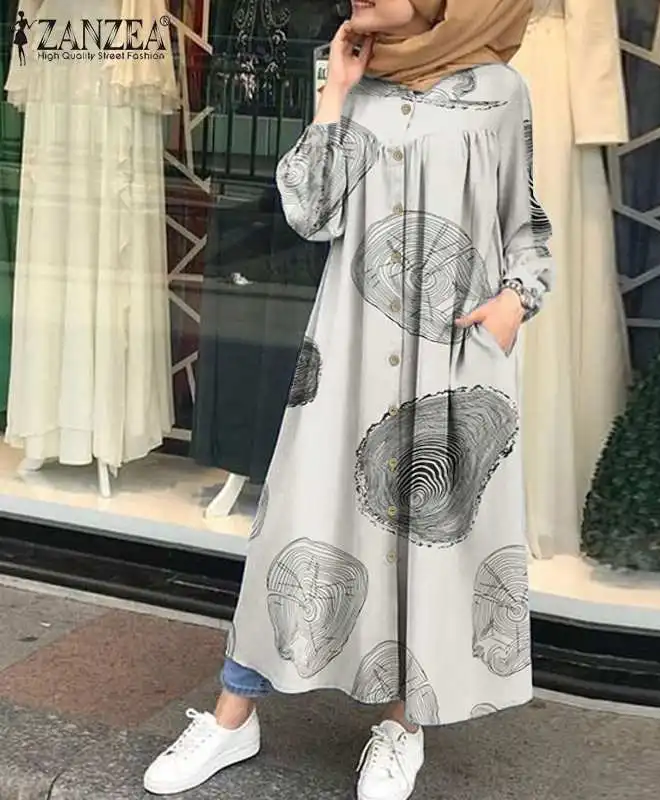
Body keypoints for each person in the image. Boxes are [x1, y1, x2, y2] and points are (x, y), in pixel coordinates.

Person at [144, 1, 550, 799]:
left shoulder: (501, 91)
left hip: (448, 355)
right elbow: (308, 211)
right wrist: (334, 93)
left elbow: (526, 224)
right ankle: (233, 715)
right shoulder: (356, 80)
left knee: (427, 539)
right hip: (347, 351)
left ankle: (402, 727)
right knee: (297, 522)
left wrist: (517, 300)